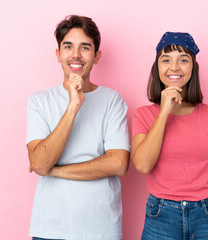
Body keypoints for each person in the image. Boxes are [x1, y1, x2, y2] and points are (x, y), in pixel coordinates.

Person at [26, 15, 130, 240]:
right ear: (58, 55)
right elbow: (41, 163)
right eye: (68, 47)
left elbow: (119, 163)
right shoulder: (39, 101)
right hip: (50, 228)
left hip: (101, 228)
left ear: (96, 56)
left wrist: (56, 170)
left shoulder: (113, 100)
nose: (75, 55)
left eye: (85, 47)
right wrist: (73, 105)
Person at [131, 32, 208, 240]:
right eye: (166, 60)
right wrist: (163, 113)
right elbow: (142, 165)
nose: (175, 67)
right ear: (157, 67)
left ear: (193, 68)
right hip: (161, 216)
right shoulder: (143, 114)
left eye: (183, 60)